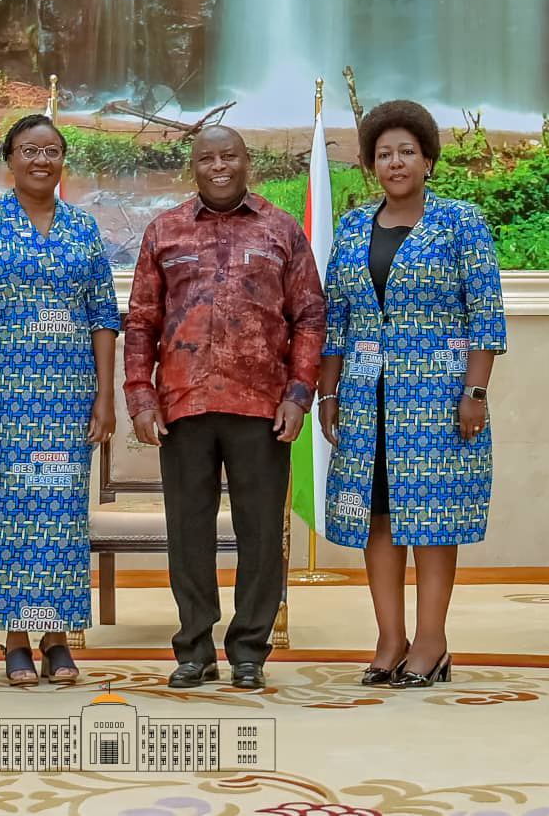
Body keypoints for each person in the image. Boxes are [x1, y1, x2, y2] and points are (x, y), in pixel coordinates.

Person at [124, 125, 326, 690]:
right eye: (207, 157)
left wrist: (298, 394)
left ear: (247, 161)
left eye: (228, 155)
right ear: (193, 166)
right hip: (182, 404)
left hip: (262, 407)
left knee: (261, 535)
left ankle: (249, 652)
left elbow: (310, 317)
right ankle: (194, 649)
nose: (218, 165)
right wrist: (140, 395)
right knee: (189, 533)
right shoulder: (164, 230)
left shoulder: (281, 229)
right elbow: (140, 321)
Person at [318, 100, 507, 688]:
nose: (394, 162)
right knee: (376, 517)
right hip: (365, 396)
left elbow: (486, 314)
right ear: (371, 164)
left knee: (430, 520)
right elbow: (336, 318)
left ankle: (431, 642)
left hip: (437, 397)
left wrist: (474, 391)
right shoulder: (352, 227)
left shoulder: (460, 222)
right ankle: (389, 638)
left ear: (427, 158)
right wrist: (328, 393)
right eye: (383, 153)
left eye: (405, 151)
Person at [0, 114, 120, 686]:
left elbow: (102, 318)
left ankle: (57, 638)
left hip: (68, 397)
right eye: (28, 150)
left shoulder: (82, 230)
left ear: (63, 159)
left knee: (60, 518)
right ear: (9, 160)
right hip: (5, 398)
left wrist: (104, 398)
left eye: (51, 150)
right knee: (10, 517)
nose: (41, 160)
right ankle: (16, 639)